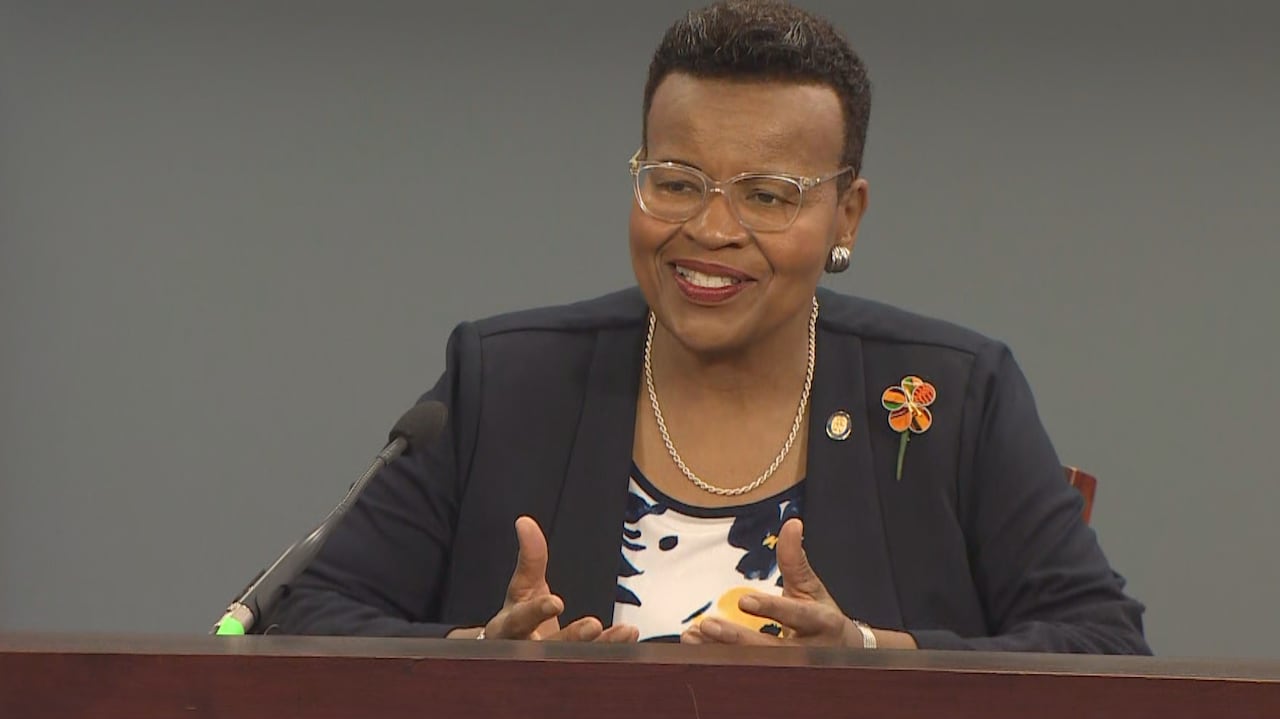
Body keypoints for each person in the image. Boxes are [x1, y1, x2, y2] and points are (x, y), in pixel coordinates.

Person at [266, 0, 1149, 653]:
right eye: (677, 180)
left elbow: (1106, 646)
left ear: (848, 215)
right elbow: (310, 615)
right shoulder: (501, 379)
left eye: (768, 196)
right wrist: (476, 660)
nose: (711, 230)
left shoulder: (955, 393)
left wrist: (875, 658)